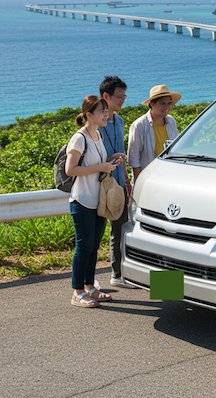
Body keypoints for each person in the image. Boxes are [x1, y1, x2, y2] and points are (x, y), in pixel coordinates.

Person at [66, 95, 125, 307]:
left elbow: (96, 163)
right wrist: (101, 167)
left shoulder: (98, 135)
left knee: (93, 246)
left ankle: (90, 287)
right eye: (102, 111)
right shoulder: (79, 138)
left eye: (106, 111)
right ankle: (77, 291)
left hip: (98, 201)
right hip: (82, 201)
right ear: (89, 115)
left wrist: (110, 160)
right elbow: (70, 169)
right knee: (83, 247)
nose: (106, 114)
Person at [98, 76, 134, 289]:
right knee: (103, 233)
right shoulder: (97, 124)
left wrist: (127, 179)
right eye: (119, 97)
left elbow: (122, 154)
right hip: (101, 184)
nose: (123, 101)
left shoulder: (119, 121)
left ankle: (118, 274)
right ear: (106, 96)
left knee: (120, 229)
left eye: (124, 96)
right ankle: (112, 276)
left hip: (119, 184)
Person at [128, 85, 180, 181]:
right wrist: (139, 184)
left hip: (169, 176)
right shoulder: (139, 125)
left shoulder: (171, 121)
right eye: (162, 103)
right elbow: (134, 159)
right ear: (152, 104)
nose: (167, 107)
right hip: (149, 179)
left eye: (169, 103)